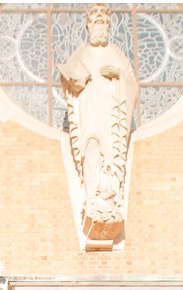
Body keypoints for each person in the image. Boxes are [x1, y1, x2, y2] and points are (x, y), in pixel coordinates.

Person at [57, 1, 139, 234]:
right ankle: (92, 195)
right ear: (88, 26)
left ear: (109, 27)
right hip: (88, 114)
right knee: (90, 147)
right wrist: (73, 81)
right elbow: (68, 77)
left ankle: (110, 195)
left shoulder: (116, 54)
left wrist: (119, 75)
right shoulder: (80, 54)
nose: (100, 27)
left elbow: (133, 87)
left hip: (111, 116)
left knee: (110, 154)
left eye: (104, 23)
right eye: (96, 22)